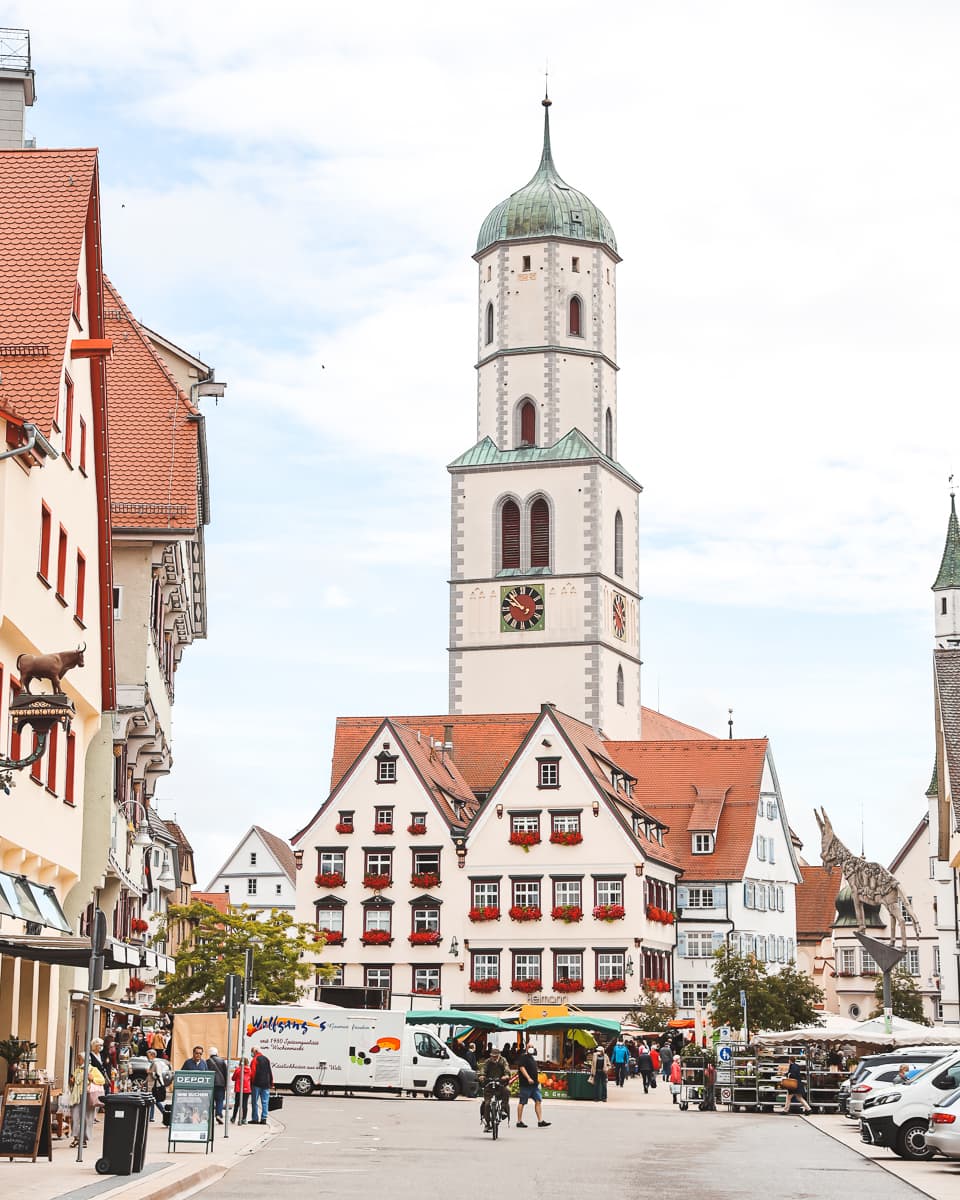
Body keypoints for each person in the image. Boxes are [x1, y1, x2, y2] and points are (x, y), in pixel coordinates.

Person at [69, 1057, 105, 1147]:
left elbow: (102, 1080)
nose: (77, 1061)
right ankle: (76, 1138)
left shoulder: (93, 1069)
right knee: (75, 1117)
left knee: (87, 1118)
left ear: (84, 1060)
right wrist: (72, 1082)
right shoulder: (77, 1070)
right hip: (76, 1096)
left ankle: (84, 1139)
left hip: (88, 1096)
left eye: (79, 1059)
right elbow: (74, 1082)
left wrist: (93, 1079)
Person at [515, 1044, 550, 1128]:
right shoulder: (524, 1057)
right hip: (526, 1084)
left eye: (532, 1047)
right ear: (526, 1049)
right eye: (529, 1047)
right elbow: (522, 1068)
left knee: (538, 1100)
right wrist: (528, 1078)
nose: (531, 1048)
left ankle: (540, 1121)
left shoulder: (532, 1058)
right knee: (522, 1102)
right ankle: (519, 1121)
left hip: (534, 1085)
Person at [479, 1045, 510, 1131]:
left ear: (499, 1055)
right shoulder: (487, 1062)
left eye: (496, 1056)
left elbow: (506, 1069)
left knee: (507, 1091)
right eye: (493, 1056)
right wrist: (482, 1075)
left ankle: (503, 1110)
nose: (494, 1058)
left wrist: (506, 1075)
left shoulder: (503, 1061)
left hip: (500, 1083)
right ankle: (487, 1123)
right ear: (490, 1055)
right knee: (487, 1104)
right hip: (489, 1084)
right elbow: (483, 1069)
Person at [146, 1049, 171, 1122]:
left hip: (154, 1085)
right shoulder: (153, 1062)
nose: (147, 1057)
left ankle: (162, 1112)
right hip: (152, 1085)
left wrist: (150, 1072)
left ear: (153, 1055)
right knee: (154, 1100)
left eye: (149, 1055)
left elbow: (157, 1074)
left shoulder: (156, 1063)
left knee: (154, 1100)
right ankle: (153, 1116)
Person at [250, 1048, 273, 1124]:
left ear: (255, 1051)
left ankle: (255, 1119)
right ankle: (264, 1118)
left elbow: (252, 1072)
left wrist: (251, 1082)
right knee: (265, 1102)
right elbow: (269, 1071)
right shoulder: (267, 1059)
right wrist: (271, 1082)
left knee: (254, 1102)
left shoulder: (255, 1060)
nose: (252, 1054)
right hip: (266, 1083)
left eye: (252, 1052)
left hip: (256, 1083)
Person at [207, 1046, 228, 1124]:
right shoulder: (222, 1061)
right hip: (220, 1084)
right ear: (216, 1053)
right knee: (220, 1100)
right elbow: (225, 1073)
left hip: (210, 1083)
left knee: (210, 1100)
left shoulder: (207, 1061)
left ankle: (210, 1116)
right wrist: (226, 1084)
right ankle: (218, 1114)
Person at [232, 1057, 252, 1125]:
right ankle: (244, 1119)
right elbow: (251, 1078)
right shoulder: (249, 1070)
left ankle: (234, 1118)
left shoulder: (238, 1069)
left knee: (237, 1104)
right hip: (247, 1089)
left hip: (238, 1089)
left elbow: (233, 1078)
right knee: (245, 1104)